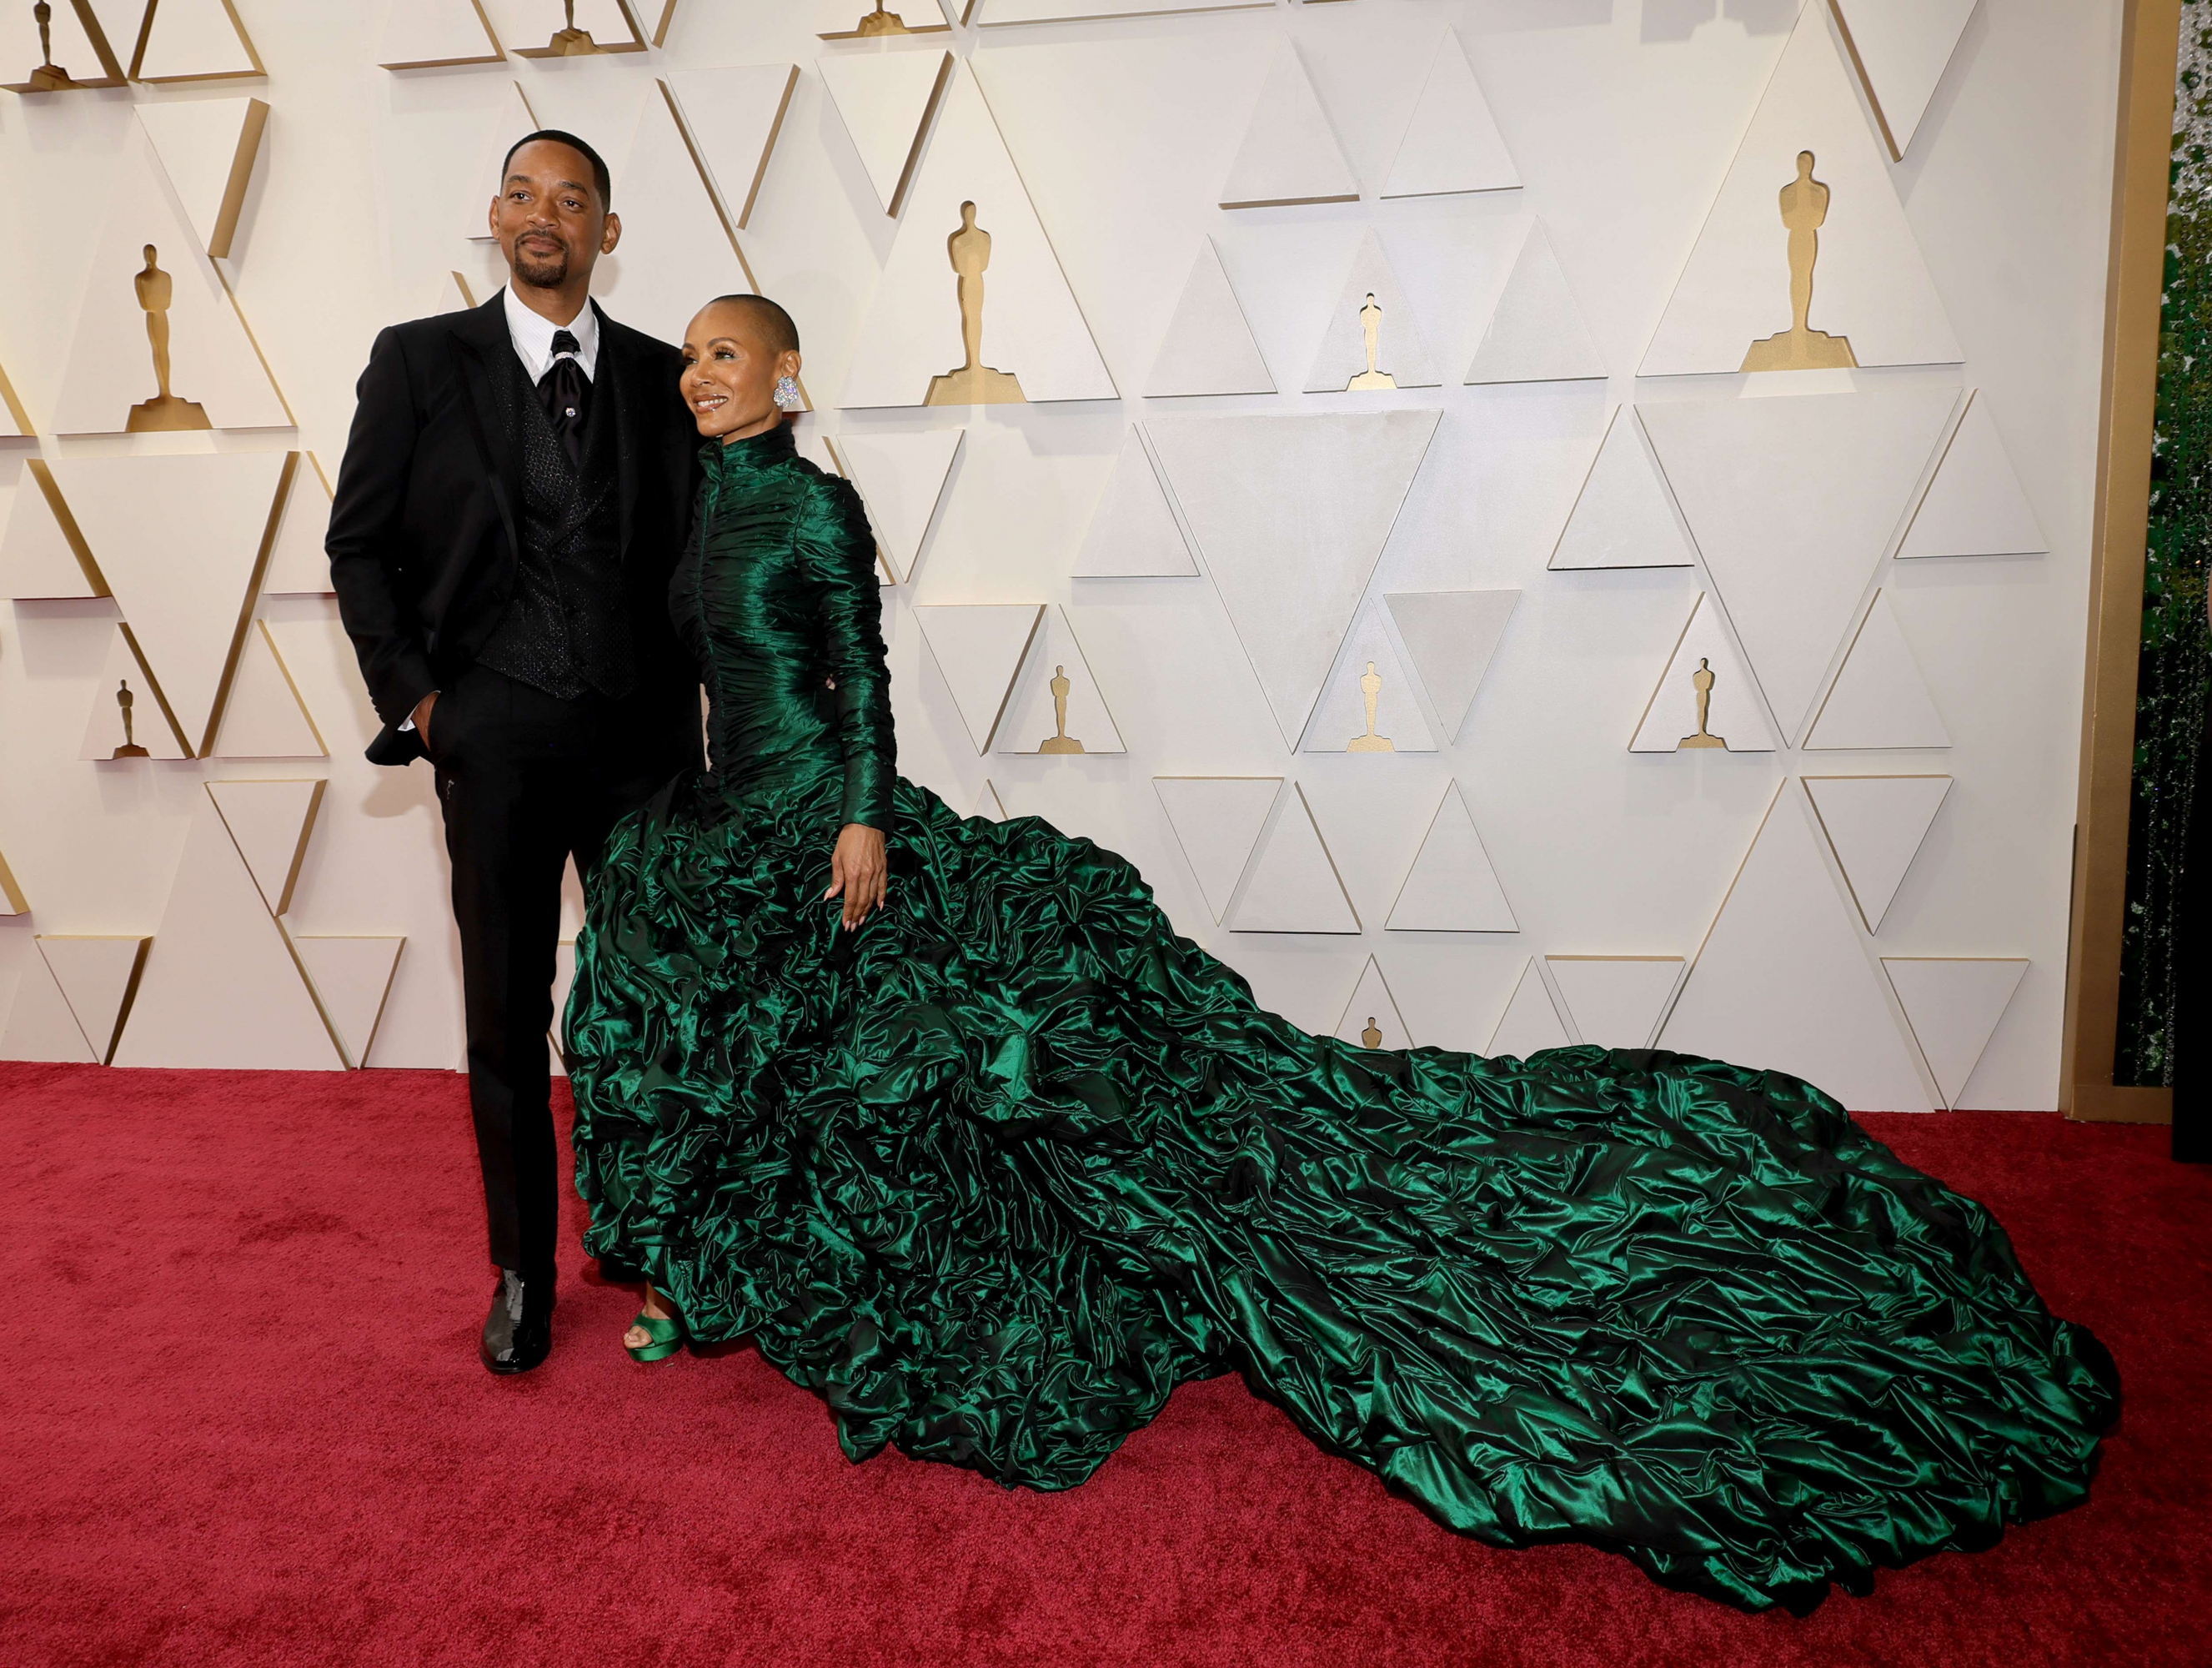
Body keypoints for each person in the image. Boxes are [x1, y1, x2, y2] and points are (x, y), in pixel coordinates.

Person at [564, 293, 2119, 1609]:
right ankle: (723, 1289)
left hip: (835, 835)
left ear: (787, 379)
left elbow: (861, 675)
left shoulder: (816, 503)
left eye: (729, 356)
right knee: (734, 1060)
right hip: (731, 831)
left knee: (938, 1069)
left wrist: (861, 822)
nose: (701, 375)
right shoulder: (702, 506)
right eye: (690, 355)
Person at [327, 132, 702, 1374]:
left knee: (653, 1015)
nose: (544, 215)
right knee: (505, 1013)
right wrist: (424, 703)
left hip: (642, 750)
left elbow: (698, 570)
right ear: (495, 214)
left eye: (573, 198)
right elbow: (358, 544)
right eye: (524, 193)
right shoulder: (420, 360)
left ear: (607, 229)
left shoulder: (663, 380)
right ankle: (525, 1273)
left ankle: (662, 1258)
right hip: (492, 739)